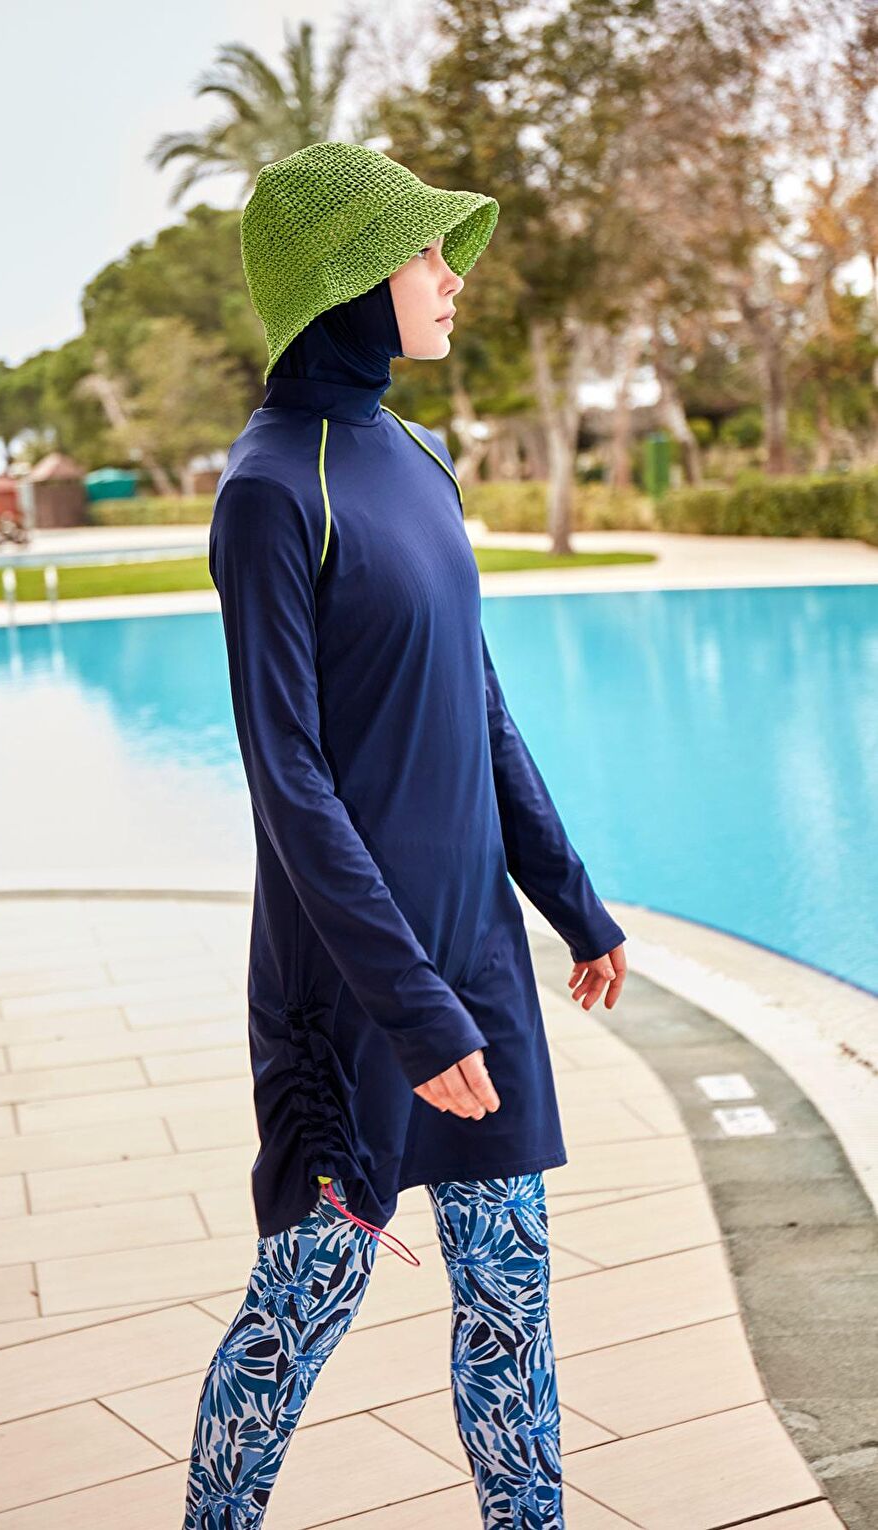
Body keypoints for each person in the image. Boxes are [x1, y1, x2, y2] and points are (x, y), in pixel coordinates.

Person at [181, 140, 627, 1530]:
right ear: (350, 276)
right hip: (353, 991)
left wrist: (571, 900)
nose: (450, 275)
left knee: (511, 1298)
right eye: (425, 251)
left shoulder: (420, 461)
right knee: (302, 1307)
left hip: (476, 959)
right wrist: (413, 1009)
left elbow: (476, 703)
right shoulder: (272, 488)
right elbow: (291, 781)